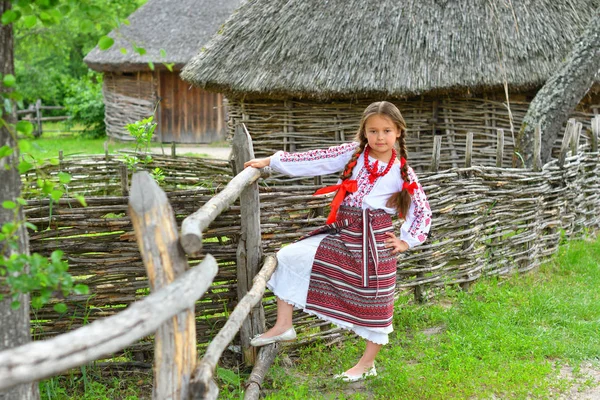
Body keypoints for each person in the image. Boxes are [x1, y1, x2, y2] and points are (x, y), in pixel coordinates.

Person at [243, 101, 432, 382]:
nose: (380, 137)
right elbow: (315, 158)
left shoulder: (403, 171)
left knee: (375, 303)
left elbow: (422, 208)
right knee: (289, 256)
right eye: (373, 131)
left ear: (399, 132)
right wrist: (272, 161)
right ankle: (284, 324)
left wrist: (407, 241)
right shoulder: (353, 153)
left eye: (386, 130)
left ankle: (367, 364)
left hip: (375, 243)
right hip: (344, 231)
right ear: (364, 132)